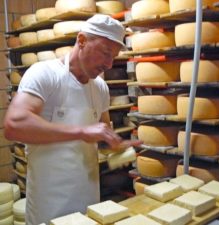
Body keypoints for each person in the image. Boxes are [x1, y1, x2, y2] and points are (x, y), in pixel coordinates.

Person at [4, 15, 141, 225]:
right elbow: (14, 126)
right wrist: (81, 132)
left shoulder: (100, 88)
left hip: (88, 199)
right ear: (82, 40)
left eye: (113, 56)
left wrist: (116, 145)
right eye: (105, 53)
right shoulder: (45, 74)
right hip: (48, 203)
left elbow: (102, 133)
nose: (109, 63)